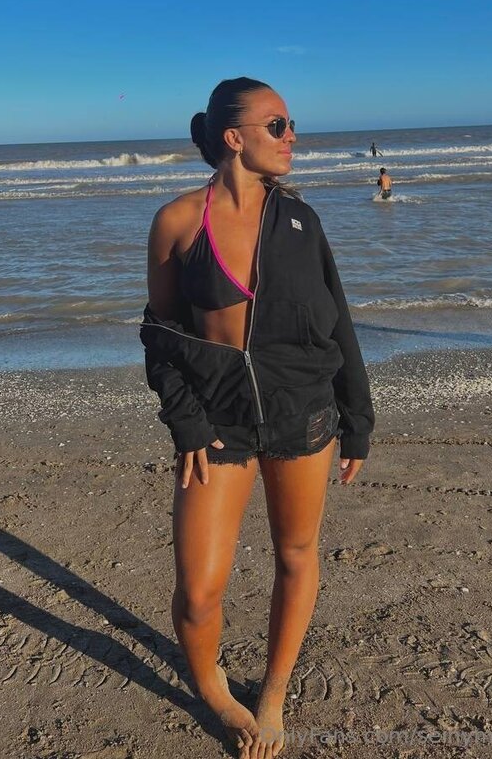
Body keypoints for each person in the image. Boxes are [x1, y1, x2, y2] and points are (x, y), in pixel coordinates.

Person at [139, 77, 375, 758]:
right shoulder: (178, 221)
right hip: (218, 424)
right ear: (233, 137)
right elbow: (161, 334)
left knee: (296, 555)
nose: (292, 135)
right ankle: (214, 689)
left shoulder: (301, 222)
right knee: (198, 591)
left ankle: (272, 692)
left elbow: (338, 320)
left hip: (303, 414)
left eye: (290, 124)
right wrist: (185, 422)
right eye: (277, 125)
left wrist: (357, 416)